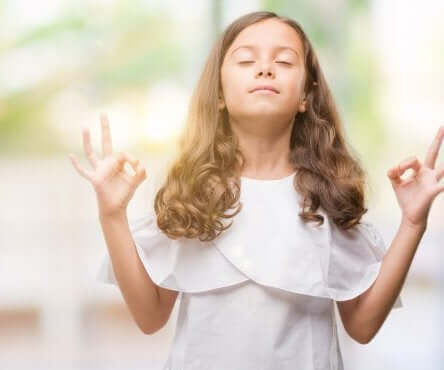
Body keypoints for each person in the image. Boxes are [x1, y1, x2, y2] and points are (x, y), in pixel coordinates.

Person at [69, 10, 444, 370]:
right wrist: (112, 214)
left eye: (283, 62)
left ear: (305, 96)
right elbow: (150, 316)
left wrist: (413, 222)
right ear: (219, 93)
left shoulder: (327, 199)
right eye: (246, 60)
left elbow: (362, 326)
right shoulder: (194, 199)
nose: (265, 68)